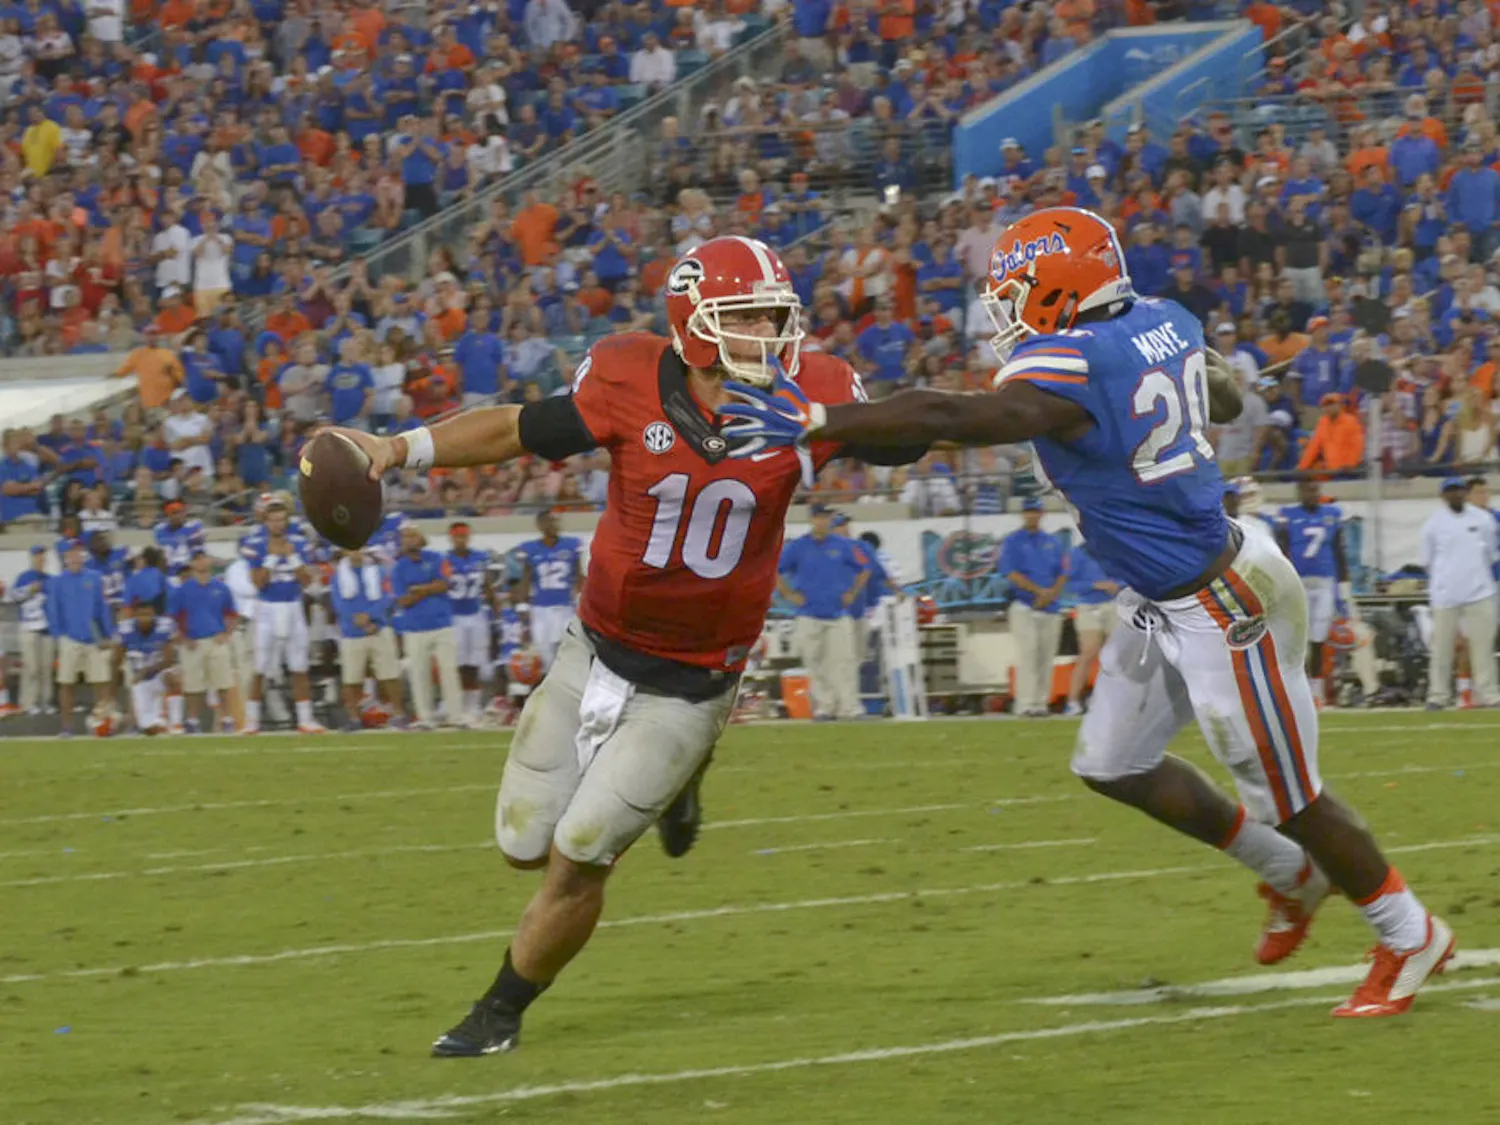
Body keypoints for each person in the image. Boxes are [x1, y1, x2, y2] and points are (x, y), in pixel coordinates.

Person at [721, 206, 1455, 1018]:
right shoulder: (1164, 317)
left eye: (1016, 292)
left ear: (1058, 288)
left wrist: (822, 419)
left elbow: (954, 418)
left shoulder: (1070, 360)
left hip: (1220, 601)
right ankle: (1292, 872)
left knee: (1291, 795)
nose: (1004, 311)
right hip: (1165, 591)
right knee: (1113, 762)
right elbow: (1223, 392)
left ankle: (1409, 929)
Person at [323, 235, 926, 1056]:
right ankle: (681, 786)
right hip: (593, 649)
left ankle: (498, 1012)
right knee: (521, 845)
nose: (771, 335)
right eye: (747, 317)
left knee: (579, 853)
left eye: (775, 316)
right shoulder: (625, 375)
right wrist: (398, 449)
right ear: (695, 324)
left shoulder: (809, 393)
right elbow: (519, 427)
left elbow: (910, 429)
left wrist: (965, 423)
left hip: (694, 680)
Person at [777, 502, 868, 721]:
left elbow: (864, 568)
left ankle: (850, 708)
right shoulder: (798, 547)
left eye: (827, 517)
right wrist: (789, 595)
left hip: (837, 613)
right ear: (811, 519)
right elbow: (775, 571)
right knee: (814, 662)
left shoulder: (844, 545)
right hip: (808, 613)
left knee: (844, 662)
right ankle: (826, 707)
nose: (823, 521)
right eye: (819, 517)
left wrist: (852, 593)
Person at [242, 497, 324, 734]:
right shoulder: (256, 542)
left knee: (299, 664)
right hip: (267, 608)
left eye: (281, 519)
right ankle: (251, 721)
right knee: (259, 667)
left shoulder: (298, 542)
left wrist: (292, 557)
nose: (278, 524)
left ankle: (306, 720)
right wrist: (271, 557)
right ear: (265, 520)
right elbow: (258, 582)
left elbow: (307, 581)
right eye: (273, 520)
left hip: (293, 606)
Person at [1421, 477, 1499, 709]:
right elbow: (1427, 560)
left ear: (1465, 493)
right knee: (1441, 650)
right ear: (1443, 496)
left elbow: (1490, 554)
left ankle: (1488, 694)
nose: (1455, 495)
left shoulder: (1483, 519)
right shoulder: (1433, 524)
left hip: (1480, 592)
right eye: (1450, 491)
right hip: (1446, 595)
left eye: (1459, 491)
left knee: (1483, 648)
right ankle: (1438, 696)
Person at [1277, 478, 1353, 708]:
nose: (1313, 493)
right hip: (1297, 582)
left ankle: (1316, 693)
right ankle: (1295, 691)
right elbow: (1280, 552)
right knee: (1296, 641)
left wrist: (1344, 588)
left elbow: (1339, 552)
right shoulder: (1287, 515)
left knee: (1318, 640)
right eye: (1308, 489)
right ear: (1299, 492)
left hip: (1324, 583)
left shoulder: (1332, 514)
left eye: (1315, 489)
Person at [998, 497, 1067, 717]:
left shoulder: (1052, 542)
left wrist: (1051, 594)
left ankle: (1040, 703)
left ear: (1041, 514)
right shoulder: (1013, 541)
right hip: (1024, 604)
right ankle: (1025, 703)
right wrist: (1039, 592)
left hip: (1050, 606)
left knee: (1046, 657)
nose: (1031, 515)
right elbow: (1011, 573)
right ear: (1023, 514)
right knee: (1029, 654)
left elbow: (1063, 572)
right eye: (1028, 512)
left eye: (1035, 511)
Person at [392, 523, 463, 728]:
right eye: (404, 537)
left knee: (449, 670)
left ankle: (456, 715)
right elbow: (403, 600)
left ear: (420, 538)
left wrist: (419, 589)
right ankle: (425, 717)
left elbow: (446, 583)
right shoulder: (398, 568)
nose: (408, 540)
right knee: (419, 673)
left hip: (442, 623)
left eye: (412, 536)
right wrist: (430, 588)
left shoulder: (437, 558)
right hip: (414, 627)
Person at [331, 548, 406, 731]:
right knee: (351, 678)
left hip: (378, 628)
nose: (355, 552)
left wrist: (370, 616)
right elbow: (338, 603)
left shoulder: (379, 571)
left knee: (389, 674)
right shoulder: (338, 576)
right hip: (352, 631)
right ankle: (354, 718)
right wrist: (358, 620)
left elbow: (388, 597)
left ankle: (398, 714)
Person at [48, 542, 116, 736]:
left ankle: (104, 723)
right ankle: (67, 726)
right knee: (66, 683)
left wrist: (106, 634)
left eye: (78, 553)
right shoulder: (58, 581)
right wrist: (58, 634)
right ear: (65, 558)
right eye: (71, 554)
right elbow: (54, 610)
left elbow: (102, 607)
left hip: (93, 638)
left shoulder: (94, 578)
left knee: (101, 682)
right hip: (69, 638)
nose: (75, 557)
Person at [169, 550, 240, 732]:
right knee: (194, 686)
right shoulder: (183, 590)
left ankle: (227, 719)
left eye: (203, 557)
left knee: (223, 683)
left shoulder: (221, 588)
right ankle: (192, 721)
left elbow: (232, 614)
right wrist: (184, 638)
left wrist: (226, 634)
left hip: (216, 639)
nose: (201, 562)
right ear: (192, 563)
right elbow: (174, 617)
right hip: (194, 642)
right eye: (197, 558)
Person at [513, 509, 582, 670]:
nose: (554, 525)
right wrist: (523, 607)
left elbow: (579, 576)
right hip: (540, 610)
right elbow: (526, 580)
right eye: (550, 521)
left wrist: (581, 600)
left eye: (556, 521)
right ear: (540, 525)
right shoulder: (530, 549)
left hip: (565, 607)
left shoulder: (572, 545)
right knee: (544, 657)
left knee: (567, 652)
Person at [1063, 543, 1121, 716]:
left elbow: (1130, 577)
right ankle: (1073, 701)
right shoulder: (1077, 553)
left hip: (1113, 605)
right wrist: (1095, 585)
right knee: (1089, 651)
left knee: (1118, 655)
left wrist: (1117, 585)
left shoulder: (1115, 549)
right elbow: (1070, 585)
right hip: (1088, 606)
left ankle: (1110, 699)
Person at [445, 521, 492, 722]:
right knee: (457, 663)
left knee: (474, 662)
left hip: (476, 613)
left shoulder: (480, 558)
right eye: (457, 537)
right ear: (451, 538)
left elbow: (488, 586)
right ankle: (457, 703)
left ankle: (473, 704)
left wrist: (496, 610)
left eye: (464, 536)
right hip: (454, 615)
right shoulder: (444, 560)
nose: (461, 540)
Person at [117, 598, 182, 735]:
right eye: (141, 615)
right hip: (140, 682)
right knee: (149, 729)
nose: (145, 619)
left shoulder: (165, 626)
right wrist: (109, 697)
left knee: (173, 677)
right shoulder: (125, 629)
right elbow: (116, 661)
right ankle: (160, 722)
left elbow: (168, 660)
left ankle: (176, 723)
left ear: (154, 615)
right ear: (135, 616)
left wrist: (146, 670)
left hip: (159, 676)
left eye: (148, 615)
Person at [11, 545, 52, 715]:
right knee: (31, 667)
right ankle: (29, 702)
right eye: (37, 557)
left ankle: (46, 701)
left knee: (46, 667)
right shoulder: (23, 577)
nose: (40, 561)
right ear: (32, 559)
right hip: (28, 627)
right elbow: (14, 597)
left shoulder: (50, 579)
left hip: (46, 628)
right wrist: (30, 589)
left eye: (42, 558)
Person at [154, 499, 207, 575]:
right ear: (167, 515)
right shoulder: (160, 530)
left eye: (181, 512)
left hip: (189, 574)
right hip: (168, 575)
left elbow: (199, 556)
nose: (178, 516)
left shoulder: (193, 527)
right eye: (174, 513)